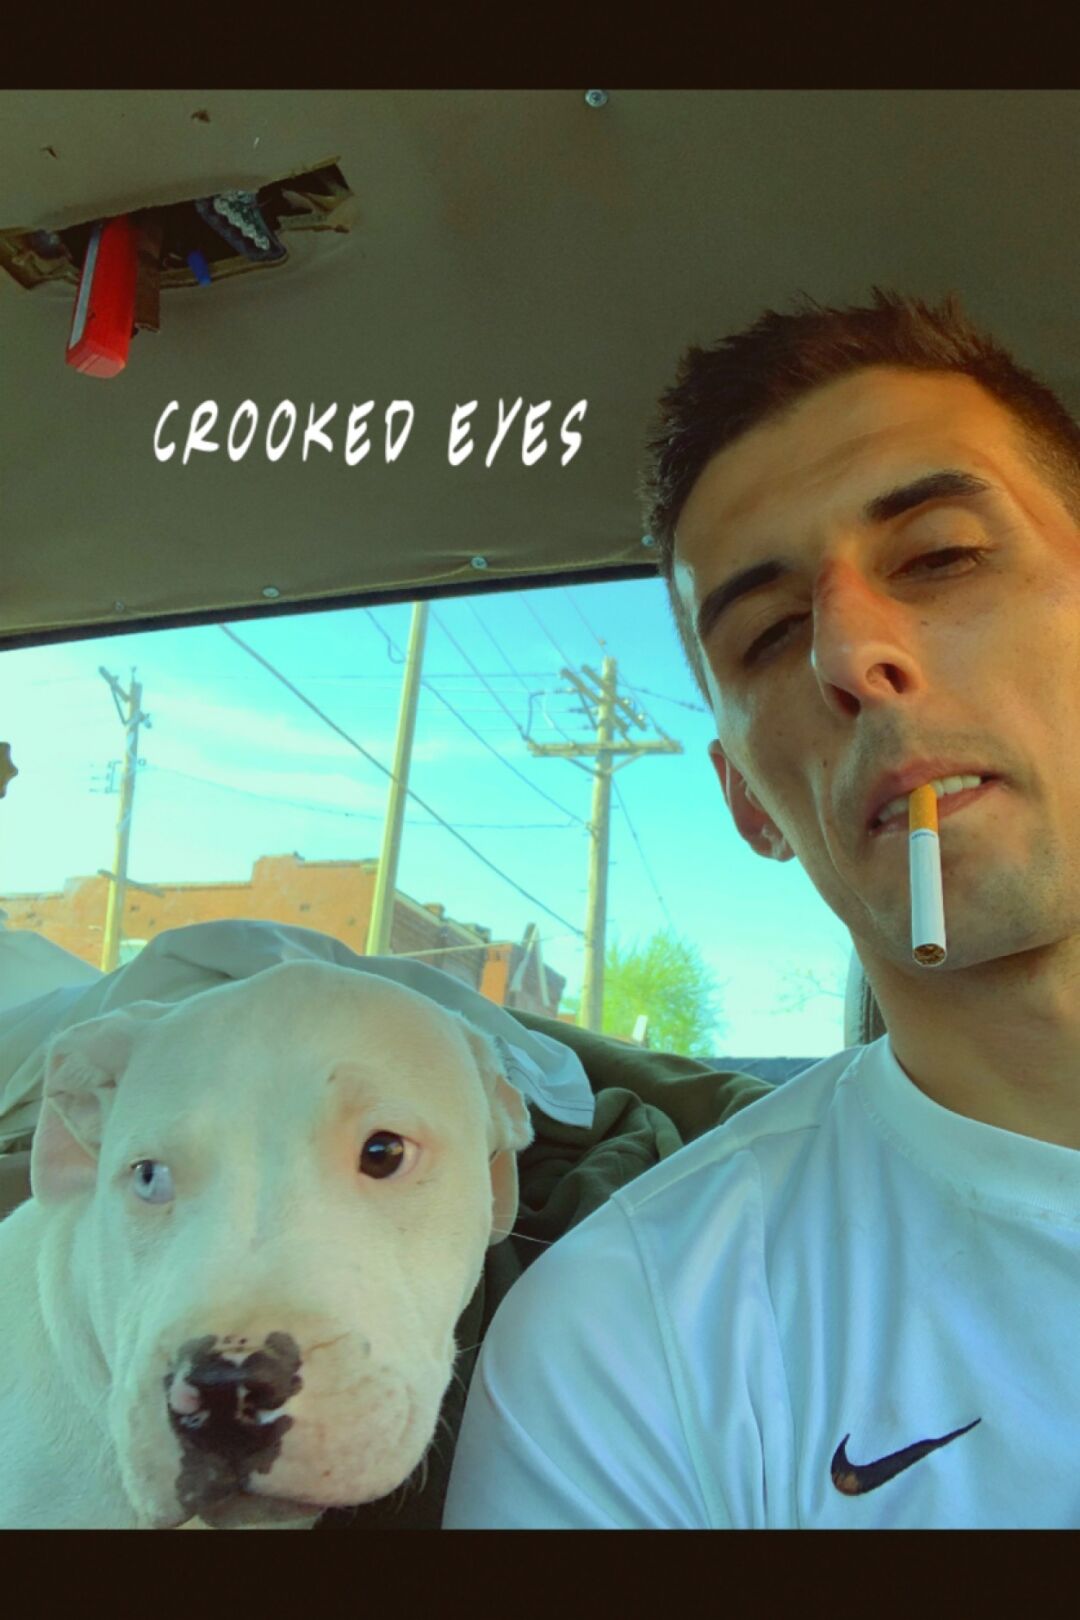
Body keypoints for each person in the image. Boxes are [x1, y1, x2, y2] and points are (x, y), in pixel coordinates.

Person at [441, 287, 1080, 1529]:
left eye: (941, 556)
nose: (849, 656)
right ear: (747, 800)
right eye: (775, 633)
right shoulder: (631, 1342)